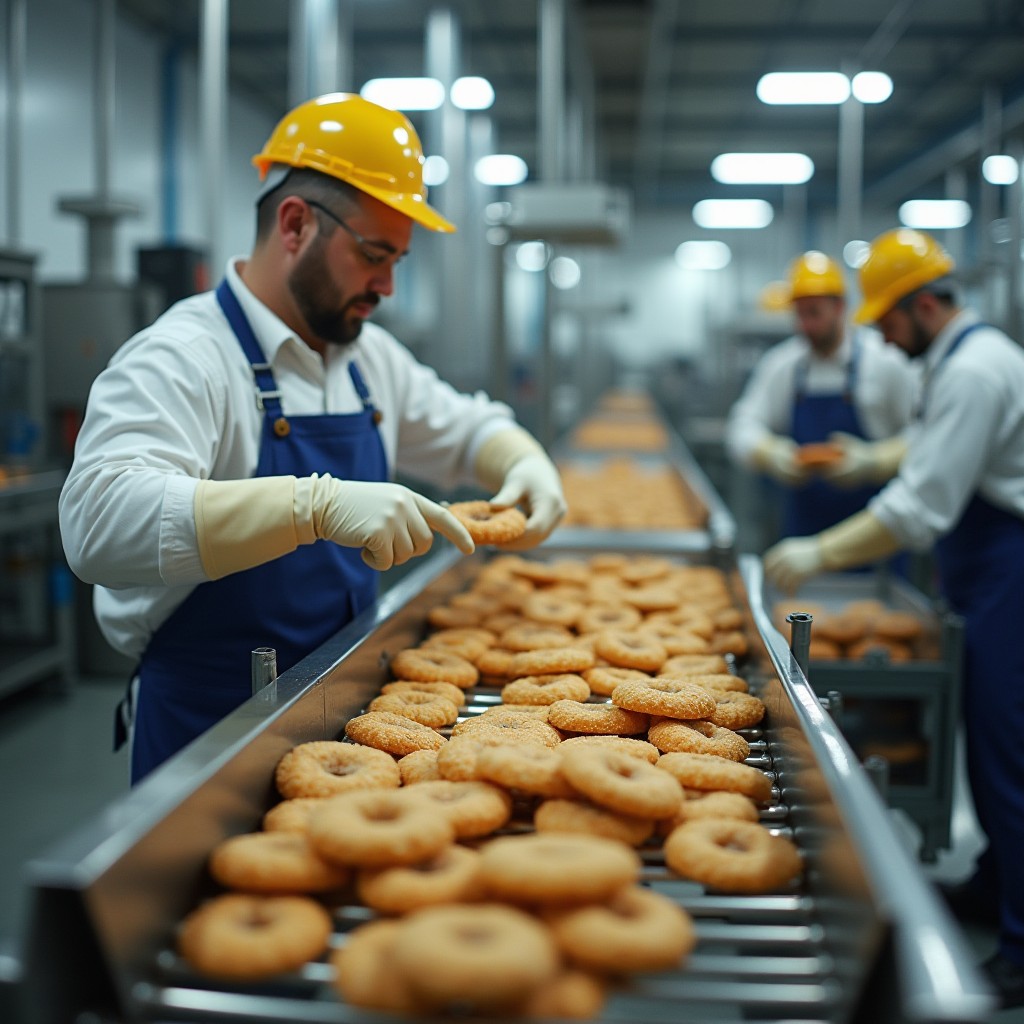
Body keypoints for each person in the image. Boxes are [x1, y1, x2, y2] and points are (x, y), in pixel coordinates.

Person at [58, 93, 567, 784]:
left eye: (399, 259)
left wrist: (523, 460)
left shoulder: (365, 361)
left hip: (349, 707)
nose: (387, 284)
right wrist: (310, 506)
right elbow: (98, 521)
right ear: (295, 224)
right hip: (211, 729)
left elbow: (468, 428)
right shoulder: (183, 357)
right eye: (373, 253)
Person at [764, 227, 1024, 1009]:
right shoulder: (956, 362)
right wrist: (881, 457)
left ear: (922, 304)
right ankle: (989, 887)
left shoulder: (976, 371)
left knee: (1010, 749)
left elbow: (921, 507)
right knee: (983, 732)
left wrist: (819, 552)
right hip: (980, 568)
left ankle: (1020, 941)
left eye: (885, 318)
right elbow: (930, 448)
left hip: (1009, 565)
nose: (878, 333)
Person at [726, 250, 918, 542]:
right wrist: (769, 452)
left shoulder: (885, 360)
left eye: (814, 313)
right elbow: (742, 425)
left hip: (874, 530)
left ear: (840, 307)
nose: (806, 325)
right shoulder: (784, 365)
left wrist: (873, 461)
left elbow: (922, 434)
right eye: (800, 315)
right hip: (804, 529)